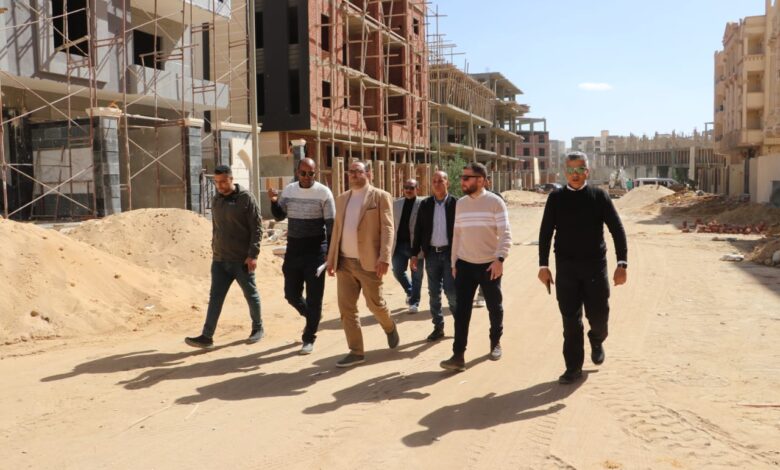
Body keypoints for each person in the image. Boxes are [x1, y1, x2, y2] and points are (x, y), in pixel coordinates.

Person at [537, 151, 628, 384]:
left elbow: (617, 229)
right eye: (571, 170)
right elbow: (545, 233)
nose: (575, 174)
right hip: (566, 269)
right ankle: (573, 367)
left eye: (579, 170)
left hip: (594, 268)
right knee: (570, 321)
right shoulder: (556, 198)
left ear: (587, 172)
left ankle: (597, 339)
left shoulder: (599, 197)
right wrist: (543, 266)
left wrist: (622, 263)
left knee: (599, 316)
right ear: (565, 172)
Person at [326, 161, 400, 367]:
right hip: (344, 262)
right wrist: (331, 259)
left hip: (369, 262)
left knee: (375, 304)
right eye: (351, 172)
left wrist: (384, 258)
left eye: (358, 171)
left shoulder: (380, 196)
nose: (353, 175)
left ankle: (389, 326)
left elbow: (388, 229)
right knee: (346, 309)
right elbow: (336, 231)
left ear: (368, 174)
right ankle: (356, 351)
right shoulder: (342, 199)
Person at [440, 162, 512, 372]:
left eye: (466, 178)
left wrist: (500, 259)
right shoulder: (461, 204)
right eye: (462, 177)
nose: (462, 181)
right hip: (464, 265)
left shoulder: (495, 202)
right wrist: (454, 262)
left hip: (489, 265)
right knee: (462, 312)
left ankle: (495, 342)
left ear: (480, 180)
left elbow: (505, 233)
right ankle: (458, 355)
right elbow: (457, 234)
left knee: (494, 307)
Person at [186, 165, 264, 348]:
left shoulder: (246, 198)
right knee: (215, 297)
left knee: (250, 294)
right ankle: (207, 336)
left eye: (222, 182)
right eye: (216, 182)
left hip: (241, 260)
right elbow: (216, 227)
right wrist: (214, 248)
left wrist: (253, 255)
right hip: (220, 260)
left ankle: (258, 328)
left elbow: (257, 228)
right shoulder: (216, 199)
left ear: (231, 179)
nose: (219, 186)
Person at [268, 158, 335, 355]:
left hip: (316, 251)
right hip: (294, 250)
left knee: (315, 298)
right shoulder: (289, 190)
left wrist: (330, 252)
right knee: (291, 294)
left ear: (316, 173)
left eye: (310, 173)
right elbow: (279, 216)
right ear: (297, 172)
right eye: (303, 173)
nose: (307, 177)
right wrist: (273, 201)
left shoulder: (324, 193)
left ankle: (309, 337)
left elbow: (331, 225)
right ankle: (312, 316)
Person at [411, 170, 457, 341]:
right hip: (431, 254)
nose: (437, 184)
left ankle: (460, 324)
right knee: (433, 293)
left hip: (450, 255)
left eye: (441, 180)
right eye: (434, 181)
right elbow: (418, 230)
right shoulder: (425, 204)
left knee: (451, 292)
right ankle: (438, 327)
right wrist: (414, 254)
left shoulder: (456, 204)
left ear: (447, 183)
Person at [392, 178, 424, 313]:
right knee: (397, 271)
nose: (408, 190)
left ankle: (414, 302)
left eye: (411, 188)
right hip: (398, 245)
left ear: (417, 189)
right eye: (406, 187)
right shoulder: (396, 204)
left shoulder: (423, 204)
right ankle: (410, 291)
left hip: (416, 246)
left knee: (417, 275)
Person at [474, 174, 506, 308]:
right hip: (477, 240)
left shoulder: (496, 197)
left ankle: (485, 295)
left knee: (492, 269)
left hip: (494, 241)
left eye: (486, 180)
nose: (484, 182)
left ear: (489, 182)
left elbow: (503, 221)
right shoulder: (472, 198)